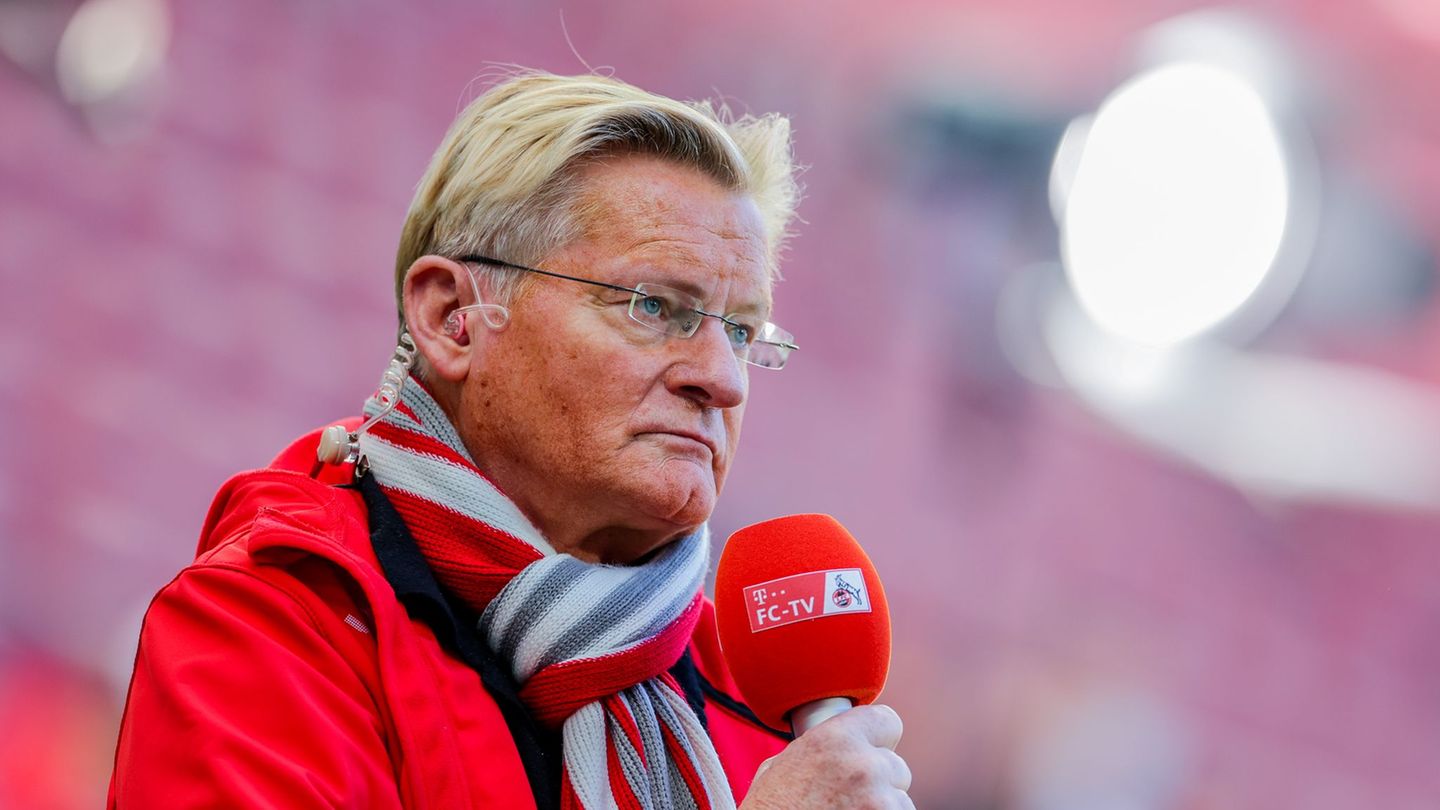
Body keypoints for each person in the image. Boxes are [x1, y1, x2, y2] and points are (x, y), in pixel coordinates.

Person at [109, 70, 913, 809]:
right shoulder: (270, 624)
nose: (723, 380)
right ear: (451, 318)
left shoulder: (758, 703)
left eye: (739, 331)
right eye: (653, 307)